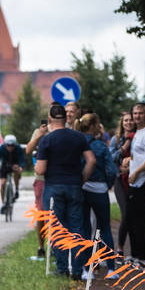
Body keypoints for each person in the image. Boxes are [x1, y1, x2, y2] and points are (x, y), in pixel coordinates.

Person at [35, 102, 96, 279]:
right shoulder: (78, 137)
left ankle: (62, 268)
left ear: (50, 118)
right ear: (65, 117)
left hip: (54, 187)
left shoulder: (46, 140)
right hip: (75, 186)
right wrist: (82, 178)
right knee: (77, 227)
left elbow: (40, 169)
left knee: (57, 228)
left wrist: (37, 166)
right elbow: (91, 160)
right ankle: (77, 269)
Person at [78, 112, 117, 277]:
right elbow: (112, 170)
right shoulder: (101, 146)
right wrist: (108, 184)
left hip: (82, 188)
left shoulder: (77, 143)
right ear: (94, 126)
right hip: (100, 189)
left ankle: (87, 270)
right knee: (105, 228)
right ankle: (111, 269)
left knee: (85, 228)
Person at [121, 102, 145, 267]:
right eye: (135, 113)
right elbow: (142, 155)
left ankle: (143, 258)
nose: (137, 116)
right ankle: (135, 254)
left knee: (139, 221)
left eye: (140, 113)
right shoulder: (139, 132)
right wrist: (130, 162)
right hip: (135, 182)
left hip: (144, 182)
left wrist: (136, 172)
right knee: (131, 219)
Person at [109, 111, 136, 264]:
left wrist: (131, 163)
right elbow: (111, 158)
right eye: (126, 120)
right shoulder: (116, 139)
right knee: (125, 213)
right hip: (120, 180)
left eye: (131, 120)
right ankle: (120, 249)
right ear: (122, 122)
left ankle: (134, 252)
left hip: (135, 179)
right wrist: (123, 148)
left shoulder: (138, 138)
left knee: (133, 215)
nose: (128, 123)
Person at [26, 119, 49, 259]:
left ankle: (57, 249)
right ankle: (41, 247)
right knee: (40, 214)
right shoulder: (38, 132)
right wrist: (39, 135)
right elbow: (28, 149)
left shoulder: (64, 130)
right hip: (41, 179)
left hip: (58, 178)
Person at [0, 133, 25, 211]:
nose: (10, 147)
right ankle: (3, 203)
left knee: (17, 170)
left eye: (12, 145)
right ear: (5, 144)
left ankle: (16, 189)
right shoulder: (1, 149)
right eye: (8, 145)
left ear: (15, 144)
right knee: (3, 184)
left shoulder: (18, 148)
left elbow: (22, 160)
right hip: (5, 166)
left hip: (15, 165)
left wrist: (21, 167)